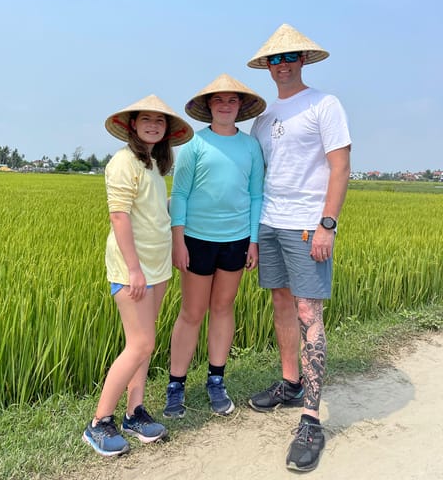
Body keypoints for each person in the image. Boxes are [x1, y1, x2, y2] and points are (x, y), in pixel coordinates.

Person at [246, 24, 352, 473]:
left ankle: (311, 418)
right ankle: (290, 383)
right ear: (267, 67)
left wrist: (327, 224)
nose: (283, 64)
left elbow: (340, 164)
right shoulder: (263, 119)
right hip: (270, 222)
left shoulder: (324, 104)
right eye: (275, 59)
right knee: (281, 303)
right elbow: (257, 176)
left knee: (310, 312)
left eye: (290, 57)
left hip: (308, 227)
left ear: (304, 60)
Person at [83, 94, 193, 457]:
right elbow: (119, 217)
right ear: (132, 125)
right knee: (141, 344)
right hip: (133, 270)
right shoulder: (123, 163)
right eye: (146, 120)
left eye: (159, 123)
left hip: (157, 267)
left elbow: (154, 212)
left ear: (166, 132)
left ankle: (134, 413)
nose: (153, 126)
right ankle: (99, 422)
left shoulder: (153, 167)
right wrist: (133, 269)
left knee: (145, 342)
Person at [162, 73, 266, 418]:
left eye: (232, 100)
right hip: (196, 239)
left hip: (236, 240)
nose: (225, 105)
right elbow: (179, 194)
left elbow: (255, 196)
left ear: (240, 107)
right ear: (208, 107)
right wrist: (178, 240)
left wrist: (252, 241)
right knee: (192, 312)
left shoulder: (251, 146)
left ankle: (216, 380)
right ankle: (176, 385)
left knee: (223, 307)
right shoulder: (194, 145)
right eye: (218, 100)